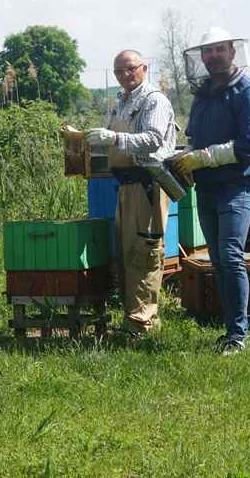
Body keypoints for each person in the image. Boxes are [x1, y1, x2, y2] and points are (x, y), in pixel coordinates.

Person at [171, 27, 250, 355]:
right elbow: (195, 137)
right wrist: (183, 155)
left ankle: (238, 335)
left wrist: (201, 157)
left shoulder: (249, 92)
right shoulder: (203, 94)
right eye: (207, 51)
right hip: (208, 189)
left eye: (219, 50)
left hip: (237, 186)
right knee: (219, 260)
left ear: (233, 52)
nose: (213, 56)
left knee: (230, 256)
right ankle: (231, 330)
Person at [83, 50, 178, 336]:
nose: (125, 75)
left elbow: (153, 140)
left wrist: (113, 137)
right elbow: (115, 143)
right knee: (126, 255)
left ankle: (142, 324)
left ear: (144, 69)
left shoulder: (154, 100)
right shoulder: (121, 102)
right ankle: (133, 319)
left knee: (144, 253)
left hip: (149, 184)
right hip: (126, 186)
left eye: (130, 69)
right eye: (119, 71)